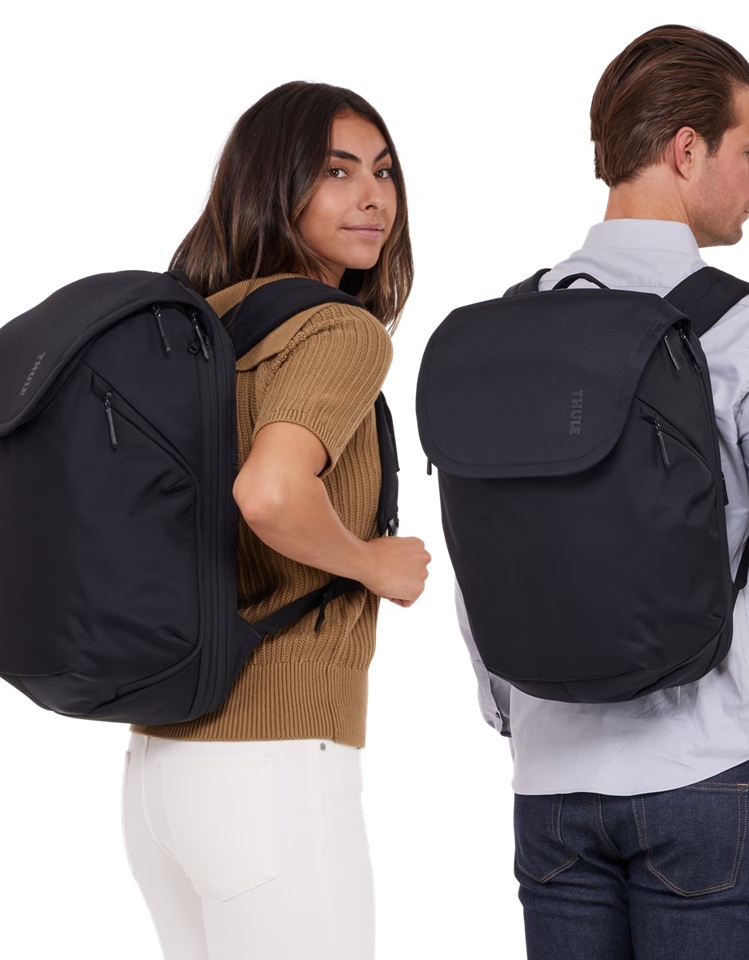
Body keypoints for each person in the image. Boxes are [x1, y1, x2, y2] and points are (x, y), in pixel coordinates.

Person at [457, 25, 749, 960]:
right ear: (685, 150)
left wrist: (518, 706)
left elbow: (487, 546)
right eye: (747, 149)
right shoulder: (748, 325)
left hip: (551, 779)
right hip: (705, 765)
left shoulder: (507, 328)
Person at [121, 81, 431, 960]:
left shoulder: (197, 328)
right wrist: (373, 563)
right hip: (275, 766)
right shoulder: (337, 330)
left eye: (383, 171)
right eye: (336, 172)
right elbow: (269, 493)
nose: (372, 197)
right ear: (272, 184)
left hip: (160, 769)